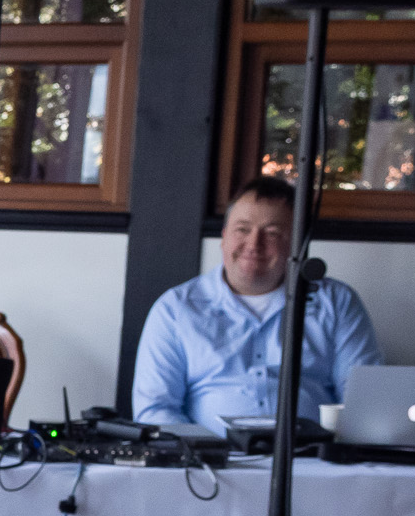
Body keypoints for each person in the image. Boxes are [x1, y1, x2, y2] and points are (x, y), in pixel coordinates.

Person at [131, 172, 381, 432]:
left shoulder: (337, 303)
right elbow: (155, 409)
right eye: (242, 229)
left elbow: (365, 401)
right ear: (224, 236)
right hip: (205, 455)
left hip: (309, 454)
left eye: (272, 233)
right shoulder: (175, 309)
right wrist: (201, 450)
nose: (254, 244)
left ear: (296, 243)